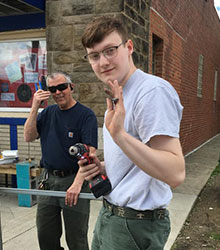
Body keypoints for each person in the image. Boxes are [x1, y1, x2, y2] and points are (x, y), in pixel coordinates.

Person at [78, 16, 186, 250]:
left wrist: (120, 137)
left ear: (128, 47)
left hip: (134, 226)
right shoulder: (119, 94)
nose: (103, 61)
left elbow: (175, 173)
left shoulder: (151, 92)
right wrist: (104, 167)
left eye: (110, 50)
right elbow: (135, 164)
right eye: (94, 56)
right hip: (112, 215)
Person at [24, 71, 98, 250]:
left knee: (76, 237)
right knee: (45, 234)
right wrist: (35, 106)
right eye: (53, 89)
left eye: (62, 87)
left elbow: (90, 152)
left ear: (71, 87)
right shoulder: (48, 112)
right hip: (48, 179)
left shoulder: (85, 115)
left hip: (74, 179)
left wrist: (77, 184)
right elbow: (28, 136)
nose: (58, 92)